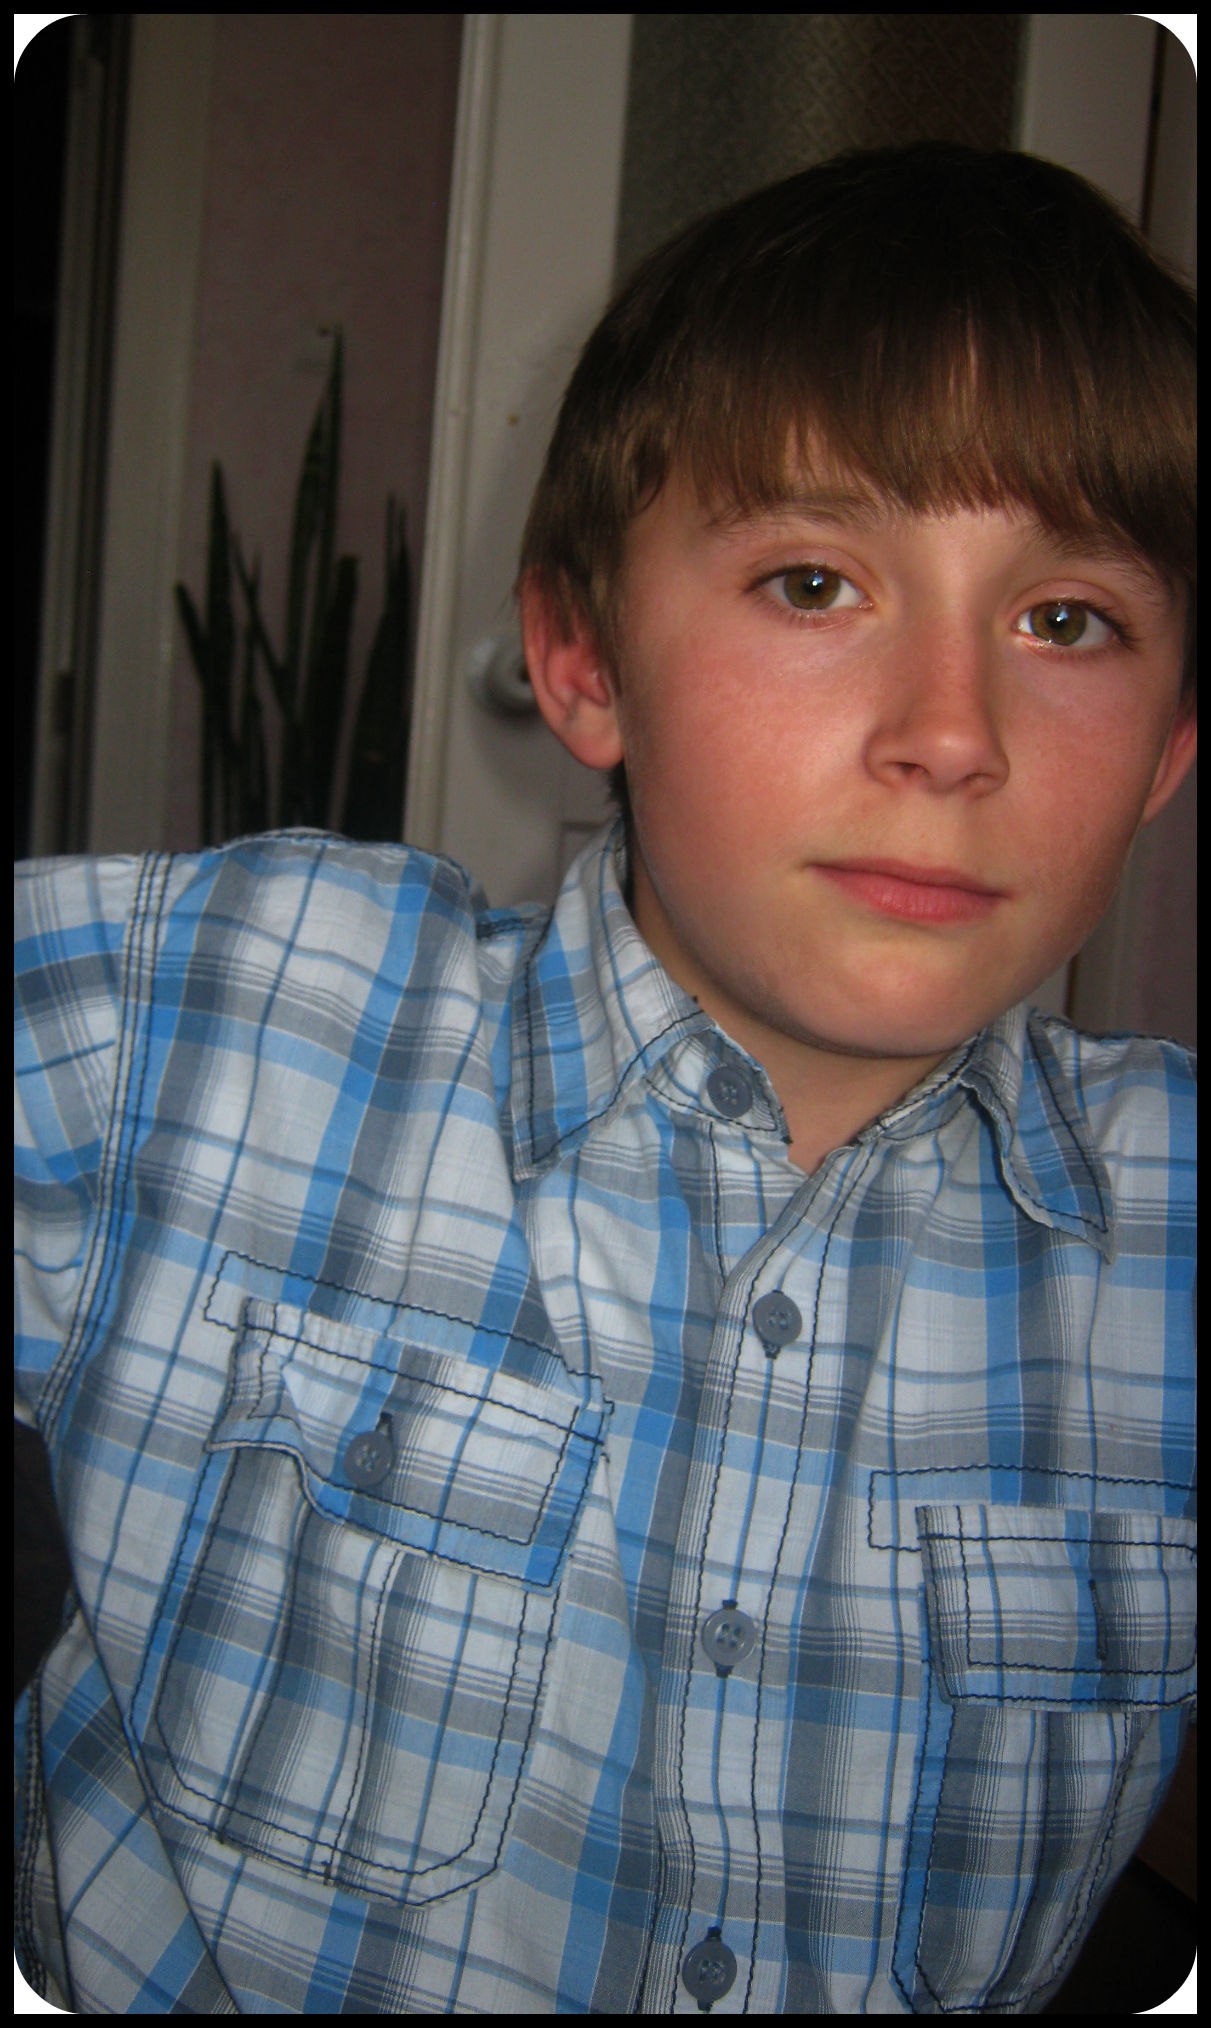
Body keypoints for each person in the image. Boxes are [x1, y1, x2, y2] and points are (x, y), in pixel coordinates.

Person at [15, 143, 1195, 2015]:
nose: (952, 734)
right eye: (815, 581)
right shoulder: (235, 1016)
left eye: (1068, 622)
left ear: (1168, 750)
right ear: (581, 662)